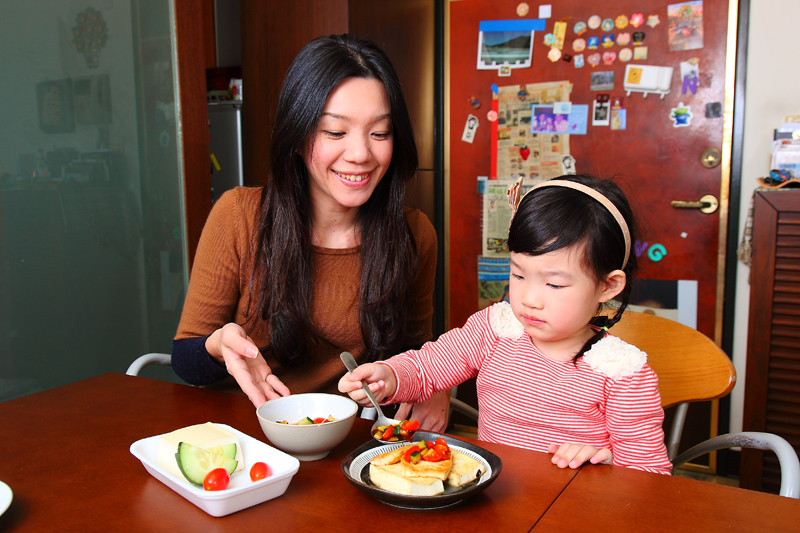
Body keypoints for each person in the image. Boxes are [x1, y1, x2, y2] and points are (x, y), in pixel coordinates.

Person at [172, 34, 450, 431]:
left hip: (345, 446)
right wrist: (217, 346)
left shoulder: (414, 233)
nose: (360, 154)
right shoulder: (237, 216)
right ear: (299, 136)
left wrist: (432, 380)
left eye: (380, 133)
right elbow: (185, 360)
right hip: (243, 438)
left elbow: (416, 350)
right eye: (335, 132)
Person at [339, 174, 672, 475]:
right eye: (518, 274)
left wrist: (606, 460)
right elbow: (428, 368)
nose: (529, 298)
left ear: (607, 286)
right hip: (492, 501)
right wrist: (389, 377)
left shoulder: (623, 374)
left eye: (554, 284)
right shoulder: (496, 329)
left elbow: (650, 476)